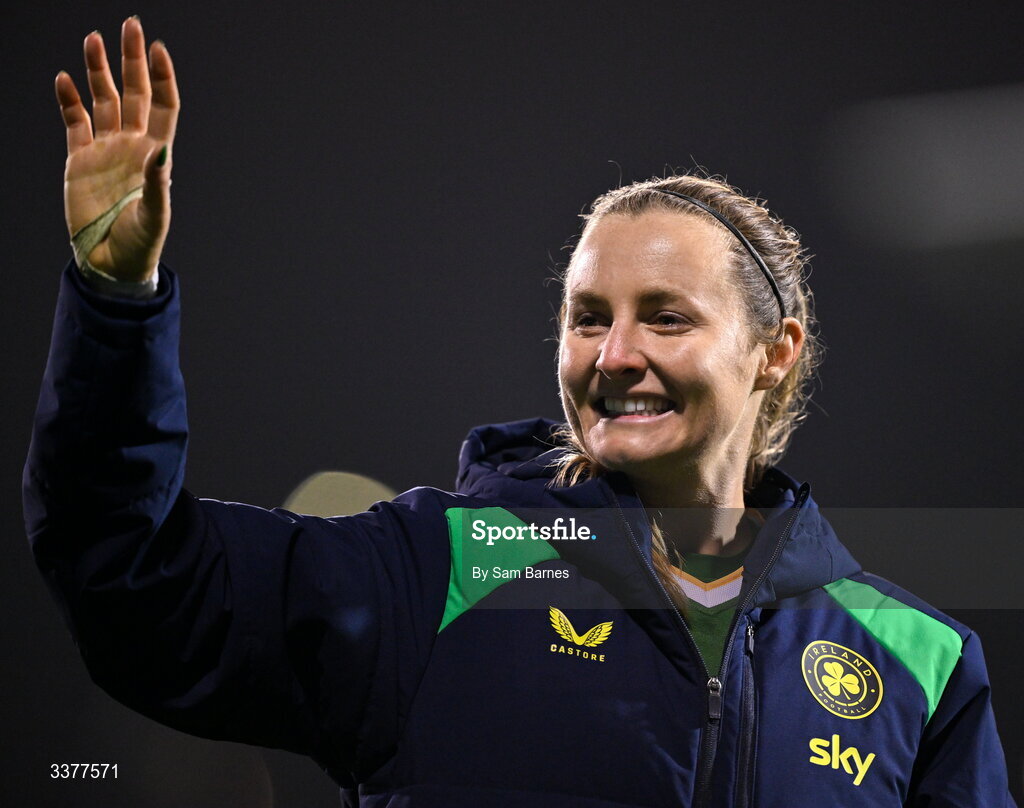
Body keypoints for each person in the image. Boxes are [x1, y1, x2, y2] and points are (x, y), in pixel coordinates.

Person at [24, 16, 1015, 808]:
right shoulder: (433, 571)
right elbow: (133, 581)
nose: (614, 354)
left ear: (773, 353)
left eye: (663, 317)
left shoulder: (917, 664)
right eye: (587, 319)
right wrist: (117, 304)